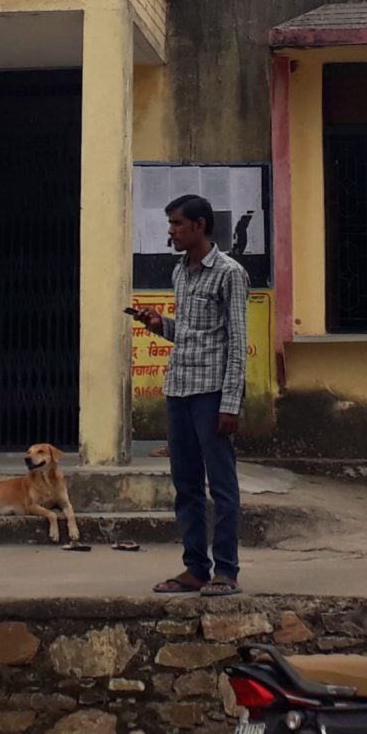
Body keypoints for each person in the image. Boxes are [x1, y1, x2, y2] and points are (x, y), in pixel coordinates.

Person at [130, 192, 250, 597]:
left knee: (222, 487)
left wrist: (231, 403)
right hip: (179, 389)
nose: (171, 232)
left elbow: (236, 341)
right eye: (170, 224)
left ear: (199, 226)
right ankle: (195, 568)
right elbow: (191, 335)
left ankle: (226, 571)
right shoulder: (181, 271)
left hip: (213, 394)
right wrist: (159, 324)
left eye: (177, 224)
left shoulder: (230, 273)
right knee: (186, 486)